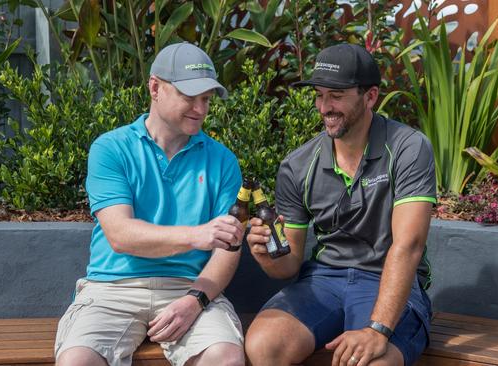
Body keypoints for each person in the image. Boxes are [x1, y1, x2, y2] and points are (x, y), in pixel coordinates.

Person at [54, 42, 246, 366]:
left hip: (190, 286)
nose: (200, 109)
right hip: (111, 288)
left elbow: (229, 248)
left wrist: (195, 300)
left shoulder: (223, 160)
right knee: (76, 361)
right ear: (155, 87)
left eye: (206, 100)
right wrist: (197, 235)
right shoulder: (111, 148)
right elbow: (120, 235)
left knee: (226, 357)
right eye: (190, 97)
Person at [245, 43, 436, 366]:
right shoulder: (298, 165)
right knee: (264, 345)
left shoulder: (408, 148)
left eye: (336, 96)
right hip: (323, 279)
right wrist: (266, 255)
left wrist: (377, 330)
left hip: (385, 278)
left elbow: (409, 246)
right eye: (319, 95)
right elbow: (289, 264)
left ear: (370, 96)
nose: (324, 107)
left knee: (373, 362)